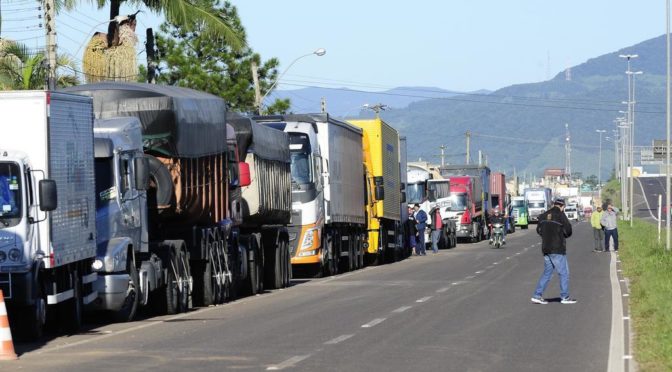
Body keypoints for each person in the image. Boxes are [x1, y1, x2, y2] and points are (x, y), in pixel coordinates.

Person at [531, 197, 576, 305]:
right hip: (557, 248)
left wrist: (546, 236)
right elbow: (568, 231)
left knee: (547, 273)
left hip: (546, 248)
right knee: (564, 273)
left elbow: (538, 230)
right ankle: (565, 297)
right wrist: (561, 235)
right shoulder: (561, 215)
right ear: (562, 206)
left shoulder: (543, 215)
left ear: (554, 204)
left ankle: (537, 295)